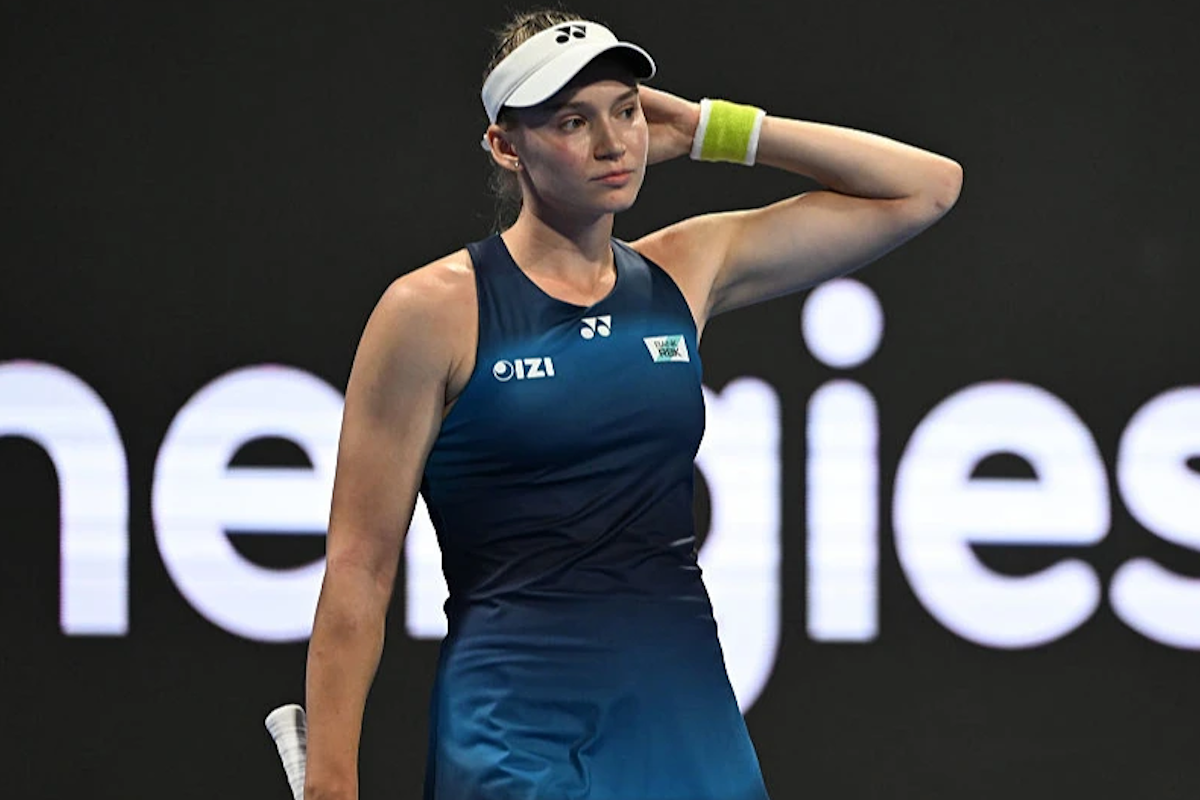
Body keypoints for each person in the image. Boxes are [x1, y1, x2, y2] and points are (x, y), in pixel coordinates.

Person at [303, 9, 962, 800]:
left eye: (626, 111)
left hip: (685, 715)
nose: (613, 143)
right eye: (572, 122)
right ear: (506, 147)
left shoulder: (684, 268)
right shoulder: (428, 312)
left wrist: (713, 128)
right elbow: (360, 567)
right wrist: (332, 782)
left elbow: (927, 188)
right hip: (514, 732)